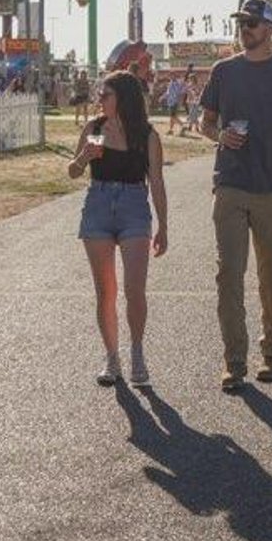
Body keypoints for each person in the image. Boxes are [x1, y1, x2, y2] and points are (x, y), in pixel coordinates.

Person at [198, 0, 272, 389]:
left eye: (251, 22)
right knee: (228, 275)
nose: (244, 28)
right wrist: (220, 136)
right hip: (230, 184)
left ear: (269, 28)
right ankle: (234, 363)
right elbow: (205, 122)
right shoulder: (223, 72)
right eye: (241, 22)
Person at [67, 72, 169, 386]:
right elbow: (72, 172)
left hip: (134, 206)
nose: (100, 99)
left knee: (134, 289)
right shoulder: (93, 128)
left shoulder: (147, 135)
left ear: (122, 98)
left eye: (106, 94)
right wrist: (85, 156)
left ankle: (137, 353)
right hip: (98, 203)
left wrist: (163, 225)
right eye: (100, 93)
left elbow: (157, 182)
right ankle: (112, 358)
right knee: (106, 291)